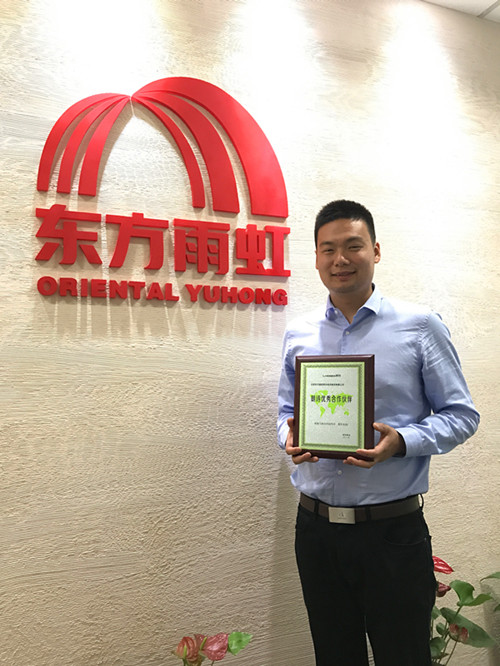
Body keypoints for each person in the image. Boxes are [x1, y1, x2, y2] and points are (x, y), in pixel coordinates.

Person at [277, 200, 479, 666]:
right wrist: (286, 438)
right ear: (316, 258)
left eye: (353, 246)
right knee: (333, 656)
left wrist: (402, 442)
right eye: (328, 249)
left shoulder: (420, 326)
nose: (340, 259)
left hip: (391, 533)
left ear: (376, 251)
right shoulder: (299, 333)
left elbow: (461, 415)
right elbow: (285, 411)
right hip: (316, 532)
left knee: (403, 656)